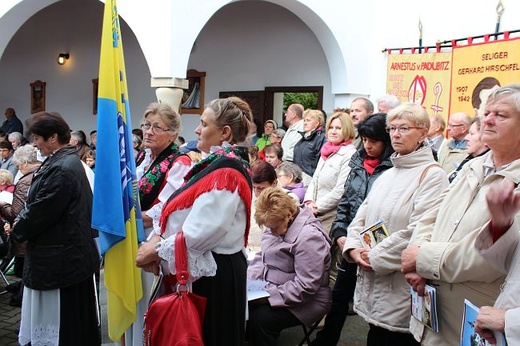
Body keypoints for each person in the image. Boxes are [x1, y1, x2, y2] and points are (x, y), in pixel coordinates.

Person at [400, 84, 520, 346]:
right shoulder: (474, 165)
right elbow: (432, 215)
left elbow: (486, 259)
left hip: (467, 324)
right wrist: (416, 257)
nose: (487, 119)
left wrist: (421, 259)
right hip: (431, 310)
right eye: (486, 113)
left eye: (500, 115)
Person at [136, 96, 254, 346]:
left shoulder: (226, 173)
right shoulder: (215, 165)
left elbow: (202, 232)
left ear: (224, 132)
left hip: (215, 278)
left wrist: (155, 251)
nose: (197, 130)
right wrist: (158, 239)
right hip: (208, 274)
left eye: (203, 123)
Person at [344, 103, 448, 346]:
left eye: (404, 128)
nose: (396, 134)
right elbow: (362, 215)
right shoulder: (389, 173)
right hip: (373, 281)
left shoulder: (432, 175)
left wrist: (374, 257)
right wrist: (353, 248)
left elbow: (418, 230)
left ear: (423, 132)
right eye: (392, 128)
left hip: (401, 287)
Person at [12, 111, 100, 346]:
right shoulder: (64, 161)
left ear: (52, 137)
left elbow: (40, 211)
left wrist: (17, 227)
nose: (35, 144)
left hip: (59, 260)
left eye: (37, 138)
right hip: (64, 255)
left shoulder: (62, 168)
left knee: (60, 328)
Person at [312, 113, 394, 346]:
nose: (368, 146)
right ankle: (325, 340)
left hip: (377, 245)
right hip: (350, 240)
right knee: (339, 296)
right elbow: (346, 201)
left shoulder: (392, 167)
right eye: (365, 140)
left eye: (374, 141)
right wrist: (339, 232)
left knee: (373, 302)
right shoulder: (358, 162)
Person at [126, 102, 193, 345]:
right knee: (132, 298)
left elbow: (171, 203)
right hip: (134, 230)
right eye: (146, 125)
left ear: (173, 134)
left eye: (157, 127)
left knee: (148, 298)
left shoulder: (180, 161)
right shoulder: (144, 156)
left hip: (154, 236)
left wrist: (141, 216)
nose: (149, 131)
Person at [247, 187, 332, 346]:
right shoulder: (275, 223)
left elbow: (306, 286)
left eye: (274, 228)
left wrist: (267, 296)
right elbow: (262, 257)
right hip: (276, 288)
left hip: (308, 300)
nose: (271, 232)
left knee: (258, 320)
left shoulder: (309, 238)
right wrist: (250, 281)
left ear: (288, 215)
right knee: (242, 309)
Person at [304, 111, 357, 284]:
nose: (333, 131)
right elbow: (315, 180)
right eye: (331, 127)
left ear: (347, 130)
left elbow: (340, 190)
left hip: (331, 215)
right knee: (314, 261)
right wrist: (309, 201)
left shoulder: (349, 153)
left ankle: (328, 305)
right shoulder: (327, 150)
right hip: (315, 212)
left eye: (338, 128)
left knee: (329, 263)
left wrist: (317, 206)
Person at [0, 144, 41, 307]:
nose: (18, 169)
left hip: (24, 237)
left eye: (17, 165)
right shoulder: (41, 172)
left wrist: (2, 204)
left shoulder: (25, 181)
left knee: (24, 272)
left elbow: (15, 212)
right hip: (30, 234)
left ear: (24, 163)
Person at [448, 117, 489, 183]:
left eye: (472, 134)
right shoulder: (469, 160)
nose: (466, 138)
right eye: (468, 133)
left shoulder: (485, 170)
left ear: (486, 139)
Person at [293, 109, 326, 187]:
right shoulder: (304, 137)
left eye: (308, 120)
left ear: (317, 123)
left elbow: (320, 161)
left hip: (311, 179)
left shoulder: (321, 138)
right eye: (304, 120)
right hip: (298, 177)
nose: (305, 123)